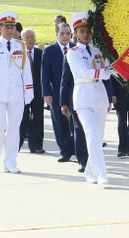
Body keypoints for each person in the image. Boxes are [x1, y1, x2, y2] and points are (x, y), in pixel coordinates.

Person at [0, 11, 34, 173]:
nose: (10, 30)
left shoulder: (21, 46)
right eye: (6, 27)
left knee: (14, 128)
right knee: (0, 125)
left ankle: (10, 161)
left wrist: (29, 91)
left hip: (16, 92)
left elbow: (26, 71)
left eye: (12, 27)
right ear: (0, 28)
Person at [65, 11, 115, 185]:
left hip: (100, 97)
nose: (86, 34)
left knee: (98, 137)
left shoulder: (98, 51)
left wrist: (110, 70)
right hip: (83, 98)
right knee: (92, 135)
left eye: (88, 31)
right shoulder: (73, 53)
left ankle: (89, 171)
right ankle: (101, 173)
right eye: (82, 31)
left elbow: (110, 68)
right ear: (75, 33)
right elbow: (85, 72)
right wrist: (105, 73)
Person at [42, 23, 75, 162]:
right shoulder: (50, 50)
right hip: (56, 92)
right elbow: (44, 74)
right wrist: (46, 93)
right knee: (59, 122)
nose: (65, 36)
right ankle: (64, 151)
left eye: (68, 33)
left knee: (76, 122)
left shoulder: (75, 48)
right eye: (62, 33)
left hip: (74, 91)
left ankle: (76, 148)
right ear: (57, 34)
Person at [19, 28, 45, 153]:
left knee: (37, 118)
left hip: (38, 91)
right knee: (21, 117)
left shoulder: (41, 54)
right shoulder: (18, 54)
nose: (29, 40)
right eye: (27, 37)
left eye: (32, 37)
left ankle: (36, 146)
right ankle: (16, 144)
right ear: (22, 39)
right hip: (22, 91)